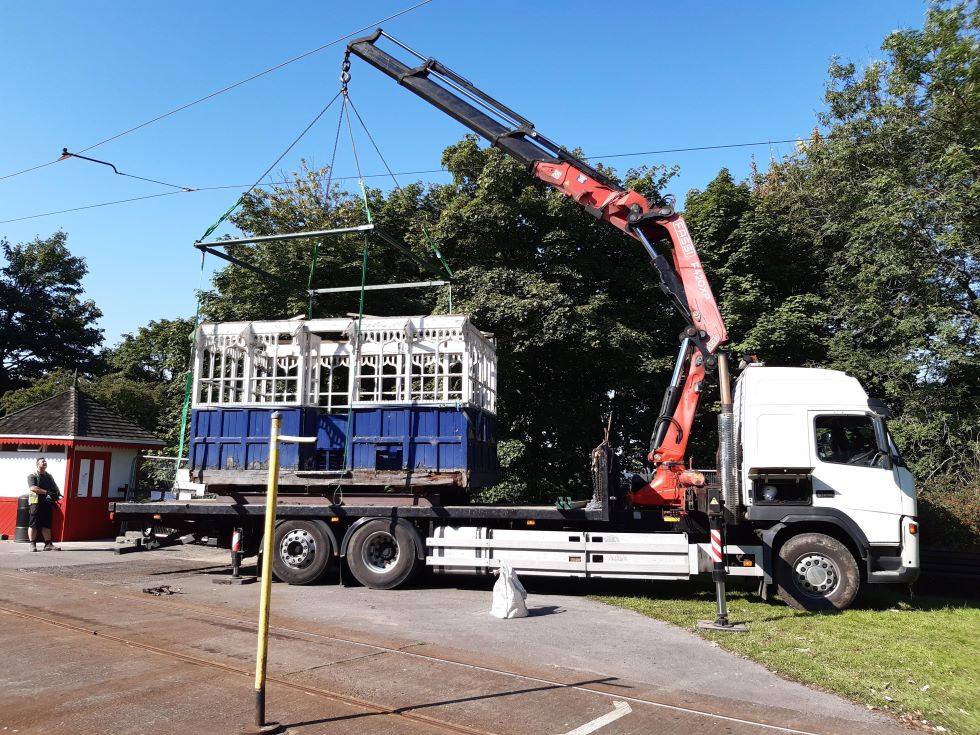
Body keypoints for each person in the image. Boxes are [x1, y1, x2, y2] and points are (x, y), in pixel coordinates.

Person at [27, 457, 61, 551]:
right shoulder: (32, 476)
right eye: (43, 461)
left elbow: (54, 487)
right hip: (36, 503)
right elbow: (33, 488)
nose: (45, 462)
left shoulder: (49, 476)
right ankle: (32, 544)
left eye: (46, 461)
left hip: (47, 503)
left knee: (47, 524)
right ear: (37, 464)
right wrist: (47, 492)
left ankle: (48, 544)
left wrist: (57, 494)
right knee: (33, 524)